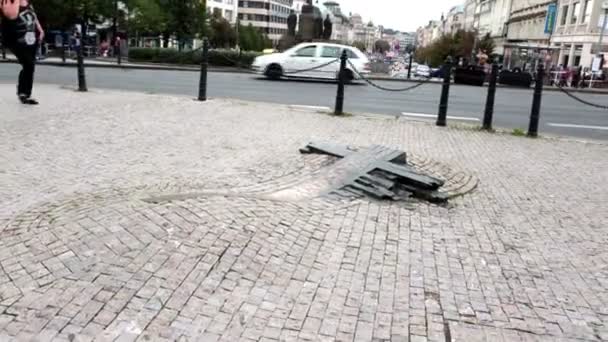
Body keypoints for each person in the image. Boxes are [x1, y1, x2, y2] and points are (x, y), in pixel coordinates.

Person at [0, 0, 43, 104]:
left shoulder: (28, 2)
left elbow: (33, 16)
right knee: (28, 63)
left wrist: (40, 29)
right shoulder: (8, 1)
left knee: (30, 66)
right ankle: (23, 93)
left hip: (31, 38)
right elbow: (11, 16)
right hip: (16, 39)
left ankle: (24, 93)